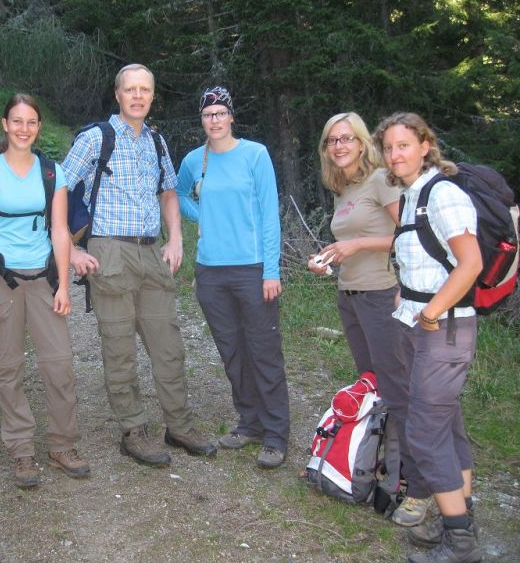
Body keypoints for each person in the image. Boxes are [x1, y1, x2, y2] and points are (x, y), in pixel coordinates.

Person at [63, 64, 216, 468]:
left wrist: (176, 238)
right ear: (117, 94)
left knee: (168, 345)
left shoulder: (157, 141)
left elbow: (168, 192)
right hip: (109, 251)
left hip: (151, 252)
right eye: (130, 89)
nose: (137, 96)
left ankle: (179, 426)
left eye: (144, 90)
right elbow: (57, 189)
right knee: (119, 348)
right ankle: (133, 431)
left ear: (152, 96)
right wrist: (71, 251)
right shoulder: (95, 138)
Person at [374, 112, 483, 563]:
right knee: (447, 426)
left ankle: (461, 544)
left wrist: (433, 311)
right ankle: (460, 516)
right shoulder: (412, 195)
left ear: (425, 146)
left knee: (424, 431)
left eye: (403, 145)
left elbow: (470, 263)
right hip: (420, 324)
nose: (394, 154)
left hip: (444, 328)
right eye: (388, 147)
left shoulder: (443, 194)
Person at [308, 113, 426, 523]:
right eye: (331, 140)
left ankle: (418, 486)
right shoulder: (344, 188)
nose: (338, 146)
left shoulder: (380, 180)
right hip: (350, 297)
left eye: (346, 138)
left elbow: (409, 234)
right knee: (372, 387)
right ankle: (382, 469)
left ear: (362, 143)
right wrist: (330, 256)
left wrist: (356, 245)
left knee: (397, 388)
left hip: (381, 296)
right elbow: (351, 243)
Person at [0, 94, 89, 488]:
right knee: (9, 367)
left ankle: (62, 444)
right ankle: (21, 450)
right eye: (17, 121)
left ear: (39, 127)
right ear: (5, 124)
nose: (24, 129)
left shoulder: (52, 172)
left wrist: (64, 286)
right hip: (0, 279)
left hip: (43, 278)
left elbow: (60, 230)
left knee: (59, 364)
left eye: (31, 122)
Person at [176, 86, 290, 468]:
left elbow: (269, 215)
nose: (215, 120)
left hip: (252, 269)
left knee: (263, 351)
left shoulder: (255, 155)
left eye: (221, 113)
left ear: (231, 116)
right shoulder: (194, 160)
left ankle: (276, 434)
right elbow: (178, 196)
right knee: (232, 351)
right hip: (210, 271)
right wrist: (202, 215)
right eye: (208, 114)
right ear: (202, 119)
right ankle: (250, 422)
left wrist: (271, 271)